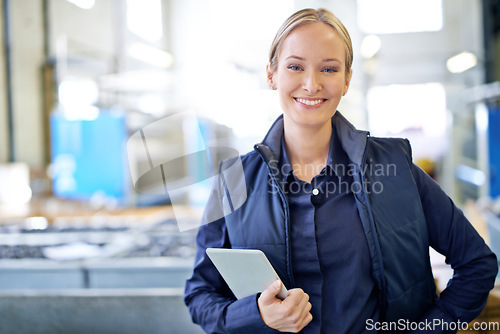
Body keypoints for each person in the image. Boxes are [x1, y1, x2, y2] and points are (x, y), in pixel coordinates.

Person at [184, 8, 498, 334]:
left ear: (346, 79)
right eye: (295, 66)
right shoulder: (233, 181)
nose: (311, 84)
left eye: (329, 69)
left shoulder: (394, 167)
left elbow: (477, 264)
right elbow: (200, 296)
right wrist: (257, 316)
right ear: (271, 74)